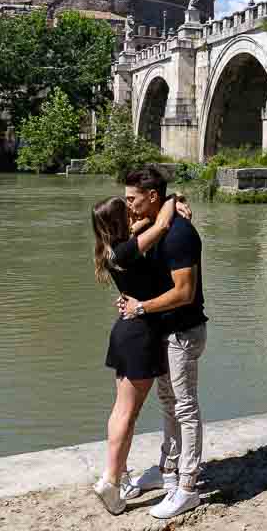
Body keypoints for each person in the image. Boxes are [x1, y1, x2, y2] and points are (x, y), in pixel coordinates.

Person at [116, 165, 209, 520]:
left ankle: (187, 486)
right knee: (168, 402)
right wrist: (175, 201)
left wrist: (140, 307)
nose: (128, 206)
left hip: (183, 332)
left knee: (185, 407)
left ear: (152, 197)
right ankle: (168, 470)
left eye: (132, 199)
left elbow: (184, 293)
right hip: (165, 330)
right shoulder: (157, 227)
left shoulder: (179, 235)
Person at [88, 192, 189, 515]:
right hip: (141, 334)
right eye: (128, 206)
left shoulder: (115, 248)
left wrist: (171, 203)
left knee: (121, 410)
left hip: (124, 331)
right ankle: (111, 480)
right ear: (120, 220)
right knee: (127, 414)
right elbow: (159, 224)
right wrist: (171, 198)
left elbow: (146, 224)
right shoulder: (129, 249)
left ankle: (120, 475)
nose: (134, 207)